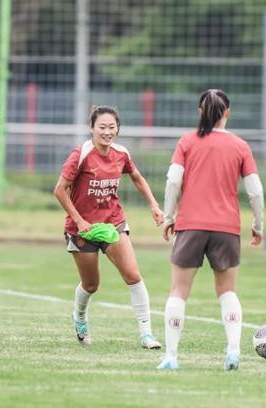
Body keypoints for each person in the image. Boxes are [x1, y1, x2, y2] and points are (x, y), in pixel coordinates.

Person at [157, 89, 264, 371]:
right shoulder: (240, 145)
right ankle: (233, 351)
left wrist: (168, 217)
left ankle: (171, 356)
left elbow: (173, 181)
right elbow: (255, 191)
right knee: (227, 291)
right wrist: (258, 225)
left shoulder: (187, 141)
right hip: (226, 227)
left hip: (190, 224)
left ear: (200, 112)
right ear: (227, 112)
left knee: (178, 291)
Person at [53, 105, 163, 350]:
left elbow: (137, 177)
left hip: (113, 223)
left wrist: (154, 205)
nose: (107, 132)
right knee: (91, 284)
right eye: (102, 127)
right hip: (82, 230)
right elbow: (59, 190)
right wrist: (79, 220)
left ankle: (146, 334)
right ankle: (80, 318)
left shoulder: (121, 153)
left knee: (133, 275)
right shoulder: (80, 154)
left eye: (112, 127)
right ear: (91, 128)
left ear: (118, 129)